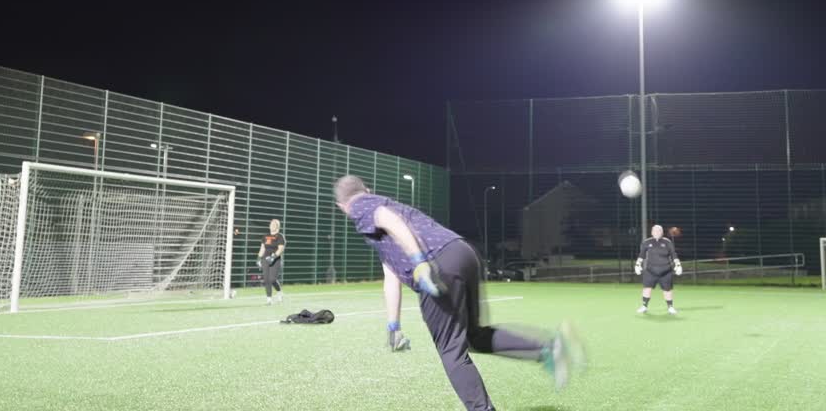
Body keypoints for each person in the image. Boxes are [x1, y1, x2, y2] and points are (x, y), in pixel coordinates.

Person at [334, 175, 582, 411]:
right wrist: (393, 326)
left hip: (437, 265)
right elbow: (391, 278)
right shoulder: (383, 226)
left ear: (342, 206)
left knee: (451, 350)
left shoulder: (361, 205)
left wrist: (419, 261)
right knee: (474, 336)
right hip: (462, 253)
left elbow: (387, 218)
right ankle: (549, 349)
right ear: (366, 188)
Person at [635, 224, 682, 315]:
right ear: (652, 232)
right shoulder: (647, 242)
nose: (657, 232)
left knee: (667, 290)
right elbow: (642, 255)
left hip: (666, 271)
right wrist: (637, 264)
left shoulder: (667, 242)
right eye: (655, 231)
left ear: (662, 232)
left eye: (659, 231)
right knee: (646, 288)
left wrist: (678, 265)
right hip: (650, 271)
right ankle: (644, 306)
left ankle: (670, 307)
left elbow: (673, 254)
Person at [257, 219, 286, 305]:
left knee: (272, 279)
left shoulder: (280, 236)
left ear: (277, 226)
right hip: (265, 259)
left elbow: (281, 249)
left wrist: (273, 257)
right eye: (271, 224)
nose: (272, 225)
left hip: (275, 259)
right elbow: (262, 248)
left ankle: (279, 291)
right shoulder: (265, 236)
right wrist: (258, 258)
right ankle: (269, 299)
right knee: (266, 279)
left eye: (274, 224)